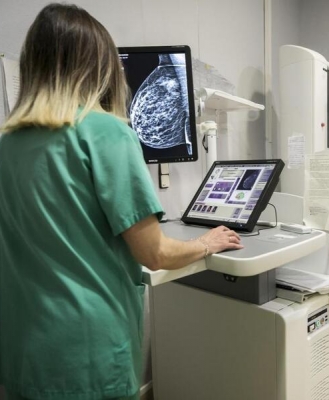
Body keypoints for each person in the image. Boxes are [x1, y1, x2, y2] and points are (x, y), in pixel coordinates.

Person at [0, 3, 243, 400]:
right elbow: (155, 254)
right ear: (100, 66)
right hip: (88, 351)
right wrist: (206, 242)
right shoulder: (104, 132)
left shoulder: (7, 144)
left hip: (23, 350)